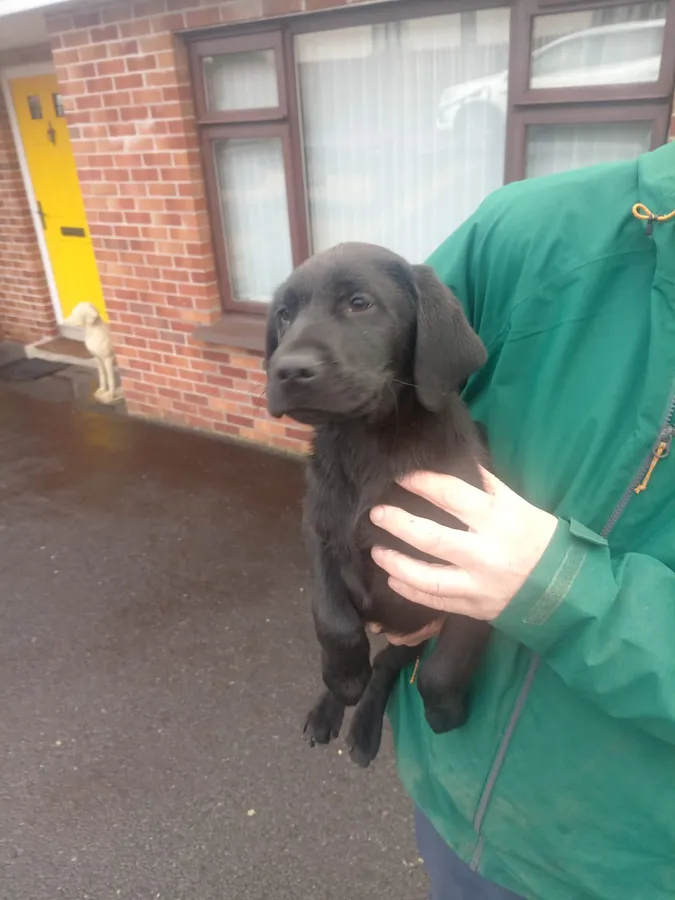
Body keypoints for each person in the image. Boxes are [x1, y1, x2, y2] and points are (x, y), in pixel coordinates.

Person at [370, 140, 675, 900]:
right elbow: (362, 408)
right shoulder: (530, 230)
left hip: (628, 868)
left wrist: (557, 585)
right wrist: (375, 575)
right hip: (452, 801)